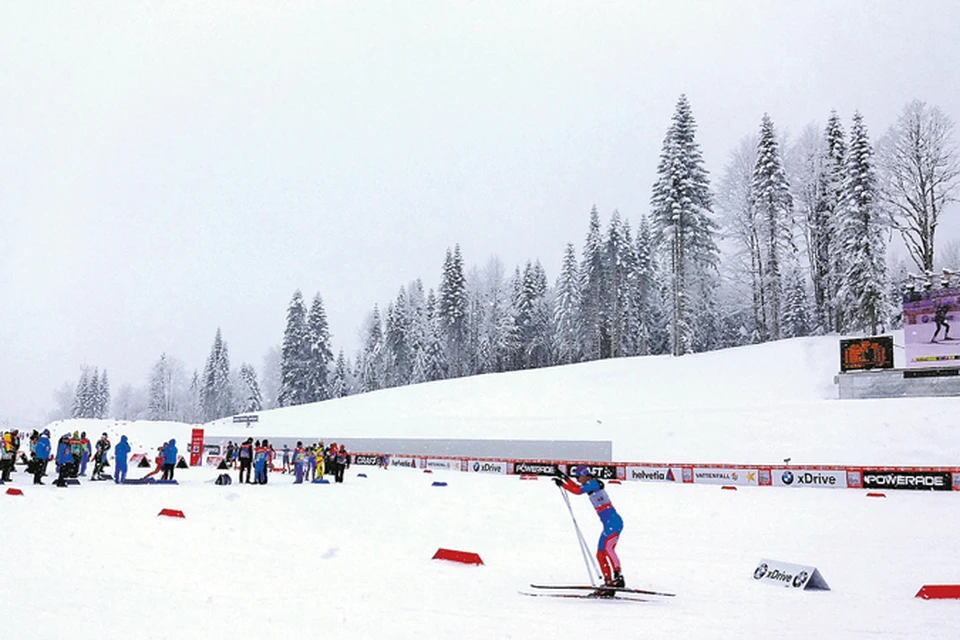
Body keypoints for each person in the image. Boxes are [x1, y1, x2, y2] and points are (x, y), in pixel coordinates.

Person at [554, 464, 624, 597]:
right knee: (600, 553)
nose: (577, 480)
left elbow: (578, 491)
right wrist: (564, 477)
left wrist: (563, 484)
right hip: (608, 524)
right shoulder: (589, 484)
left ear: (585, 475)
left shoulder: (593, 483)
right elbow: (577, 488)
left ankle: (618, 577)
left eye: (578, 477)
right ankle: (608, 582)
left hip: (614, 523)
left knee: (608, 549)